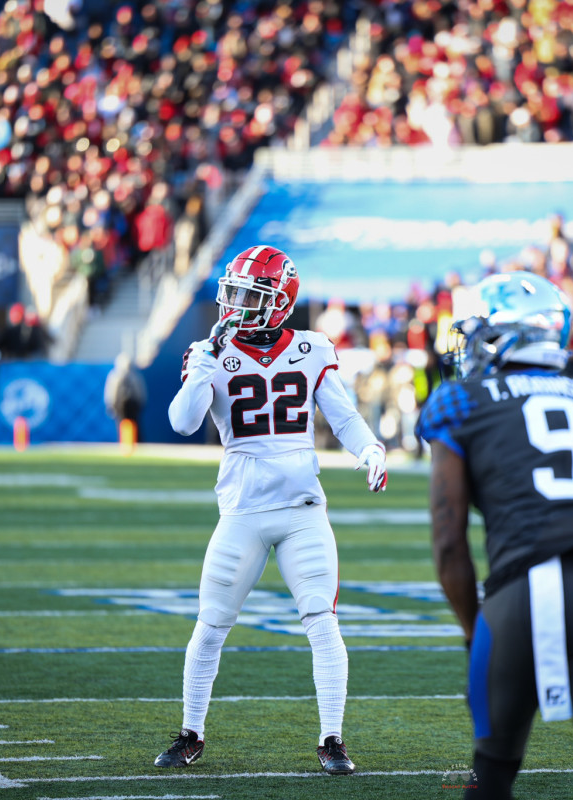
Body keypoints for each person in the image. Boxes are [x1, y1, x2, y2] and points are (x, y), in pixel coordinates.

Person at [417, 273, 573, 800]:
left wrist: (473, 629)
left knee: (490, 775)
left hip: (515, 596)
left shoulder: (460, 403)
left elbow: (448, 540)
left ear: (508, 336)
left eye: (479, 334)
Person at [157, 245, 388, 775]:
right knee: (210, 625)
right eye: (232, 293)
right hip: (240, 512)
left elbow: (344, 417)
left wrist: (370, 447)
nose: (234, 304)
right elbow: (182, 423)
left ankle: (333, 740)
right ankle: (192, 733)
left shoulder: (312, 347)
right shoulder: (210, 348)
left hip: (303, 509)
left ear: (278, 302)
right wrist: (200, 372)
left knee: (323, 623)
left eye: (247, 295)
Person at [104, 352, 147, 449]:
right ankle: (127, 444)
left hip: (130, 406)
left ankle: (131, 444)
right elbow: (111, 392)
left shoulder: (119, 376)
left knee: (131, 426)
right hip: (122, 406)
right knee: (124, 426)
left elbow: (111, 393)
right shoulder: (131, 376)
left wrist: (110, 405)